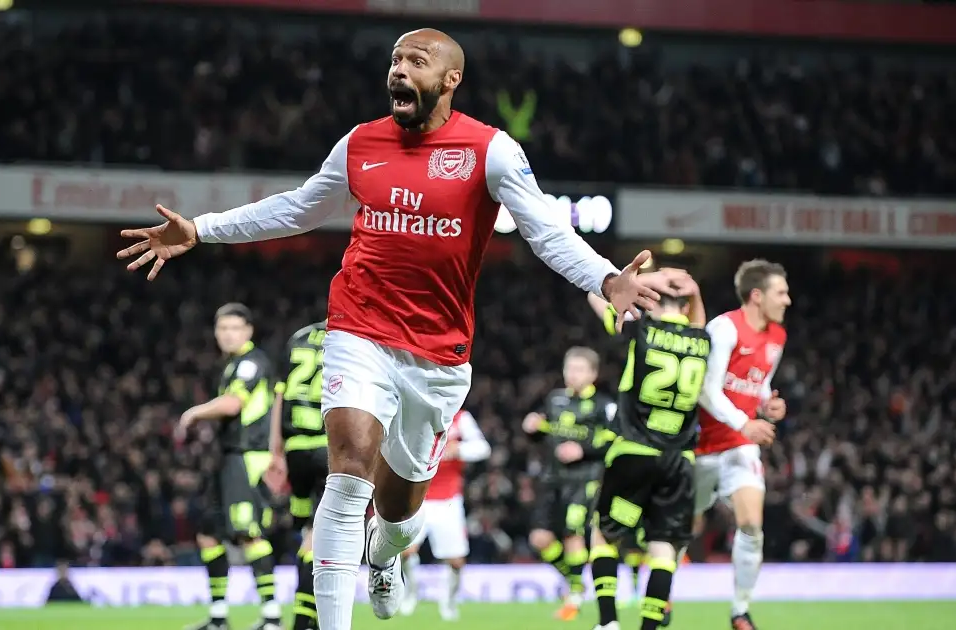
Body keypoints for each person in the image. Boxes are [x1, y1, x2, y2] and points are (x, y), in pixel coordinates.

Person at [116, 27, 679, 630]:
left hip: (438, 358)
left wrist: (605, 279)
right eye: (395, 60)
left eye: (417, 61)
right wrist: (202, 229)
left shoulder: (489, 150)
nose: (399, 70)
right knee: (350, 466)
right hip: (358, 328)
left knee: (400, 509)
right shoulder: (361, 143)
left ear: (450, 79)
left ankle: (385, 554)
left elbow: (545, 229)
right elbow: (298, 206)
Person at [560, 273, 716, 630]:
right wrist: (695, 288)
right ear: (688, 305)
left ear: (651, 300)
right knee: (663, 548)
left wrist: (644, 278)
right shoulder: (701, 339)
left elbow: (597, 295)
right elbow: (698, 320)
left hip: (633, 452)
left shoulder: (641, 329)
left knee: (604, 535)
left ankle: (608, 622)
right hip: (679, 460)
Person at [694, 260, 789, 630]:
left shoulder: (777, 337)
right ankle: (662, 592)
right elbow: (706, 388)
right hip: (701, 445)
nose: (788, 300)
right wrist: (746, 421)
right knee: (685, 528)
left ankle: (740, 610)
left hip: (739, 445)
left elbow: (756, 382)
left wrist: (767, 404)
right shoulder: (724, 328)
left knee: (751, 525)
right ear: (757, 295)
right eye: (781, 292)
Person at [179, 303, 281, 630]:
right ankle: (219, 617)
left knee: (247, 532)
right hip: (227, 458)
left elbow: (234, 403)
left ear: (248, 330)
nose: (227, 334)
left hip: (247, 457)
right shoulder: (232, 365)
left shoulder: (252, 364)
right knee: (208, 535)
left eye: (234, 328)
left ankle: (272, 616)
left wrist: (194, 412)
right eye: (222, 328)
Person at [521, 347, 616, 621]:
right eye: (569, 368)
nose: (571, 374)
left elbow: (613, 440)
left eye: (578, 369)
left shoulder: (603, 405)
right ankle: (576, 582)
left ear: (593, 374)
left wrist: (583, 450)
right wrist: (533, 429)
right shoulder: (554, 400)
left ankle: (573, 598)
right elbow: (546, 434)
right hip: (552, 479)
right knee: (539, 538)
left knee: (572, 534)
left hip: (585, 479)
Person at [265, 321, 330, 630]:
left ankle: (307, 612)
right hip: (332, 448)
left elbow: (279, 396)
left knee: (305, 530)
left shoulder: (298, 336)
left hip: (295, 450)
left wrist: (275, 450)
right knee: (322, 538)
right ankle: (305, 619)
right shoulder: (354, 334)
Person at [399, 408, 491, 621]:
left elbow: (483, 448)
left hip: (449, 500)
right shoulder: (415, 412)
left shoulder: (461, 418)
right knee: (406, 551)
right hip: (417, 497)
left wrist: (459, 449)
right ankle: (410, 593)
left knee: (456, 561)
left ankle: (449, 600)